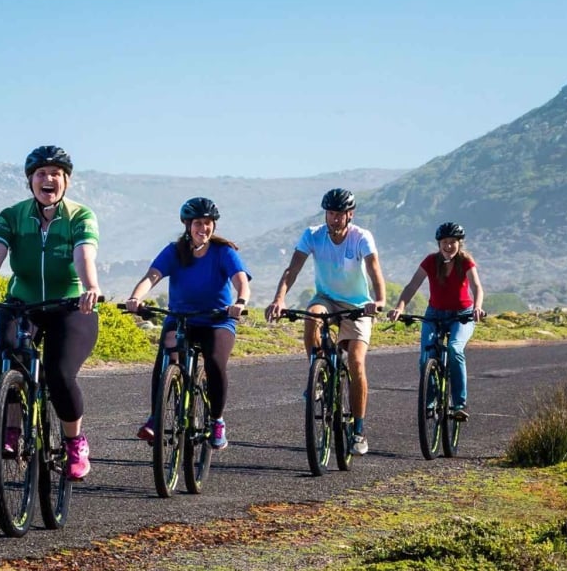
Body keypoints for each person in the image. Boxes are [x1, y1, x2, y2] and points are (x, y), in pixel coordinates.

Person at [0, 145, 102, 480]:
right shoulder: (11, 216)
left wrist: (90, 286)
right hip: (23, 304)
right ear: (30, 181)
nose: (49, 180)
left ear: (66, 182)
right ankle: (13, 431)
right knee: (11, 360)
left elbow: (83, 255)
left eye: (56, 174)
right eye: (41, 174)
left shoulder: (80, 216)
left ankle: (75, 442)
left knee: (60, 375)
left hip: (71, 306)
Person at [122, 197, 252, 450]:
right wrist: (136, 297)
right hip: (181, 318)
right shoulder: (174, 251)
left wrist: (241, 301)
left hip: (217, 320)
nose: (203, 228)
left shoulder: (223, 252)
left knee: (214, 361)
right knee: (166, 358)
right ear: (187, 225)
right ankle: (156, 416)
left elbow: (240, 280)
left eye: (208, 223)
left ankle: (217, 420)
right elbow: (152, 276)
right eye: (197, 223)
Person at [264, 188, 386, 456]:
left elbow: (375, 270)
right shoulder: (312, 235)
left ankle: (359, 430)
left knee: (355, 362)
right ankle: (316, 375)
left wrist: (379, 300)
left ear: (349, 215)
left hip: (357, 304)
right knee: (312, 317)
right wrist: (279, 299)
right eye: (330, 213)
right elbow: (292, 269)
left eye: (340, 214)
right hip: (326, 298)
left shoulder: (361, 237)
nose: (334, 218)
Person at [387, 221, 486, 420]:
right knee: (426, 355)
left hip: (462, 315)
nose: (448, 246)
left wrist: (477, 307)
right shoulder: (431, 261)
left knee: (455, 349)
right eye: (444, 242)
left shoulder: (465, 261)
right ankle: (430, 402)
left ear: (459, 243)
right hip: (434, 314)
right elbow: (412, 285)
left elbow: (476, 286)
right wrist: (400, 307)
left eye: (452, 242)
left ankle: (459, 403)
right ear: (438, 244)